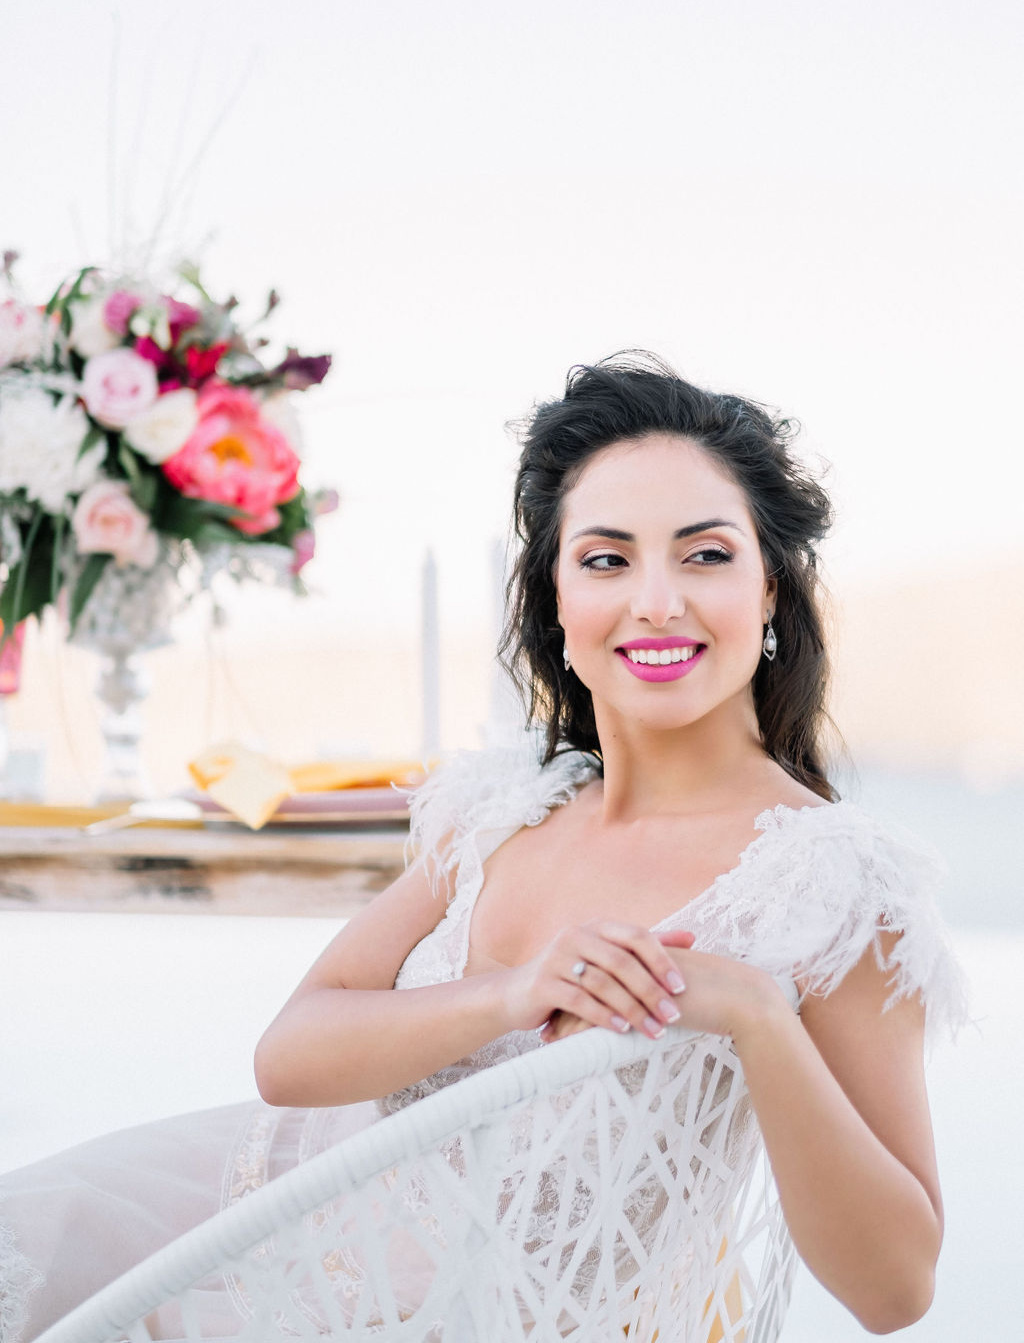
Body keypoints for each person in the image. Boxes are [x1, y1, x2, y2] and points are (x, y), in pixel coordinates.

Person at [0, 353, 964, 1340]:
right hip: (254, 1200)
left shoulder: (833, 883)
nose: (657, 600)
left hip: (450, 1316)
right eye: (605, 558)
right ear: (555, 598)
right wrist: (513, 991)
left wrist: (761, 1019)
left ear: (769, 593)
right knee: (30, 1236)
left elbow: (896, 1292)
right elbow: (288, 1060)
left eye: (706, 554)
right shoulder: (504, 806)